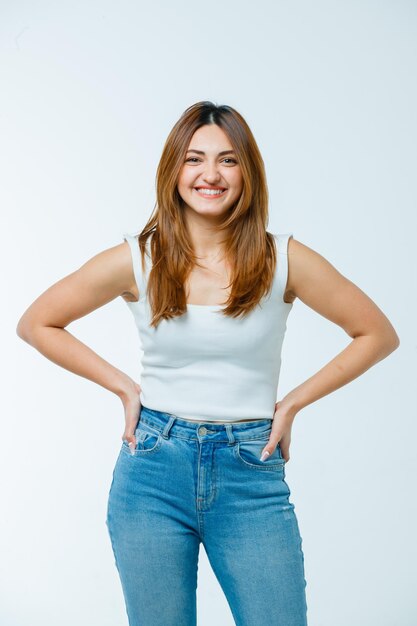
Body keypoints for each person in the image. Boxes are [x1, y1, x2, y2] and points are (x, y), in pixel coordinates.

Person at [16, 101, 400, 626]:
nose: (211, 175)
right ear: (174, 169)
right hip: (152, 469)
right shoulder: (138, 258)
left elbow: (377, 333)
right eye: (195, 159)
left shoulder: (283, 258)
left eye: (229, 160)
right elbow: (37, 322)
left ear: (249, 172)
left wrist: (291, 404)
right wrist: (126, 389)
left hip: (250, 471)